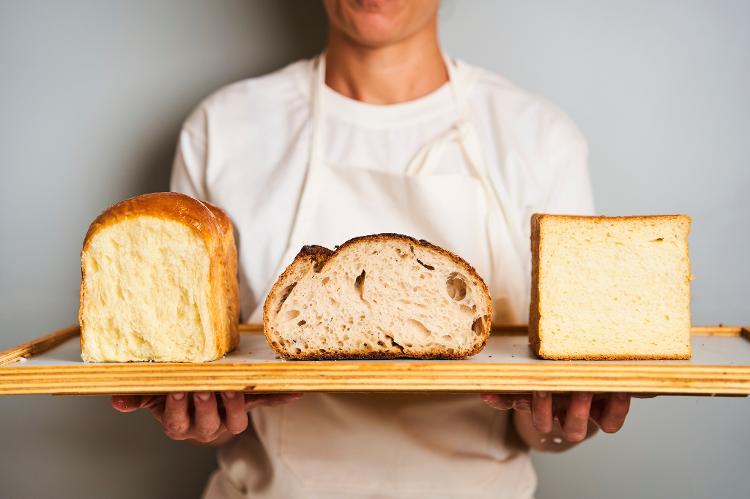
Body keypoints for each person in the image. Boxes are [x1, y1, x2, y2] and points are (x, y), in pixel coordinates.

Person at [112, 1, 632, 497]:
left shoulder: (538, 136)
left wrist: (564, 422)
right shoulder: (224, 127)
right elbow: (212, 378)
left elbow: (545, 410)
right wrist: (203, 417)